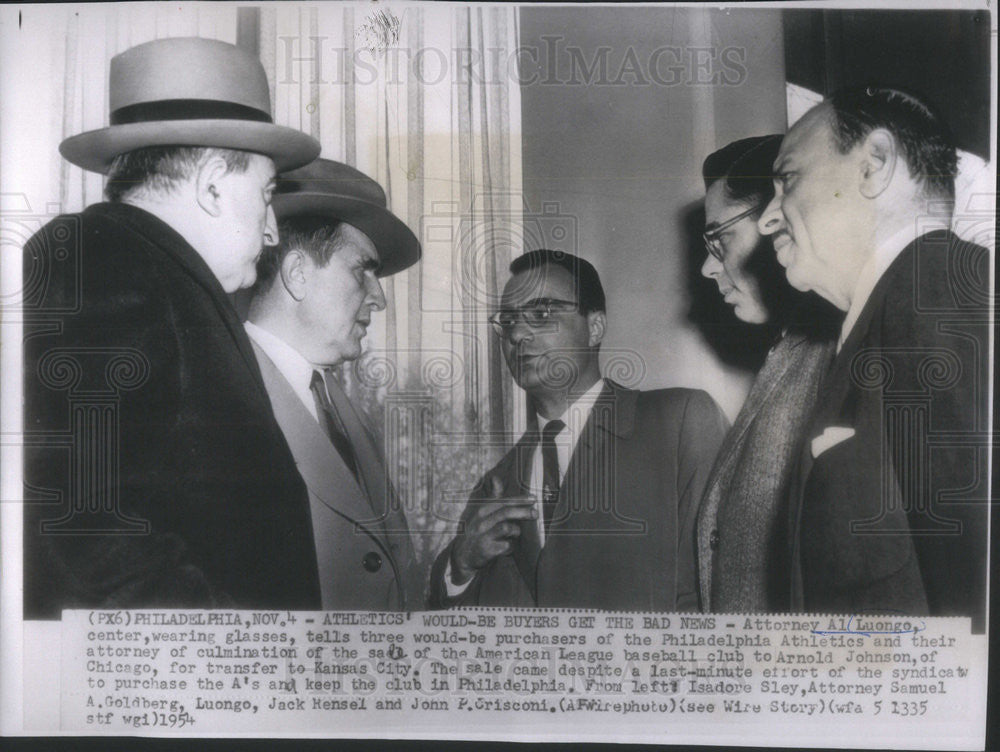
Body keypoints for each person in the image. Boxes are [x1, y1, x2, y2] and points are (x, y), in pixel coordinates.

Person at [22, 37, 321, 617]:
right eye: (265, 198)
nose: (271, 232)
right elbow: (80, 526)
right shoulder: (101, 258)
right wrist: (234, 664)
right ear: (212, 185)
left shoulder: (150, 270)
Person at [757, 86, 989, 627]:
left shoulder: (934, 288)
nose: (768, 218)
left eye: (787, 180)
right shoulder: (890, 313)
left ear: (874, 165)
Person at [429, 250, 728, 610]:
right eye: (508, 320)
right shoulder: (497, 482)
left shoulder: (680, 423)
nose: (518, 334)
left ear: (595, 327)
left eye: (541, 314)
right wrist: (459, 566)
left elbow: (718, 590)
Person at [244, 158, 422, 610]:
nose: (378, 297)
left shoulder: (338, 405)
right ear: (298, 273)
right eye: (362, 269)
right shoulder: (226, 399)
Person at [696, 136, 839, 613]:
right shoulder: (788, 353)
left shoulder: (835, 357)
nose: (706, 267)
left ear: (779, 218)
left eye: (718, 240)